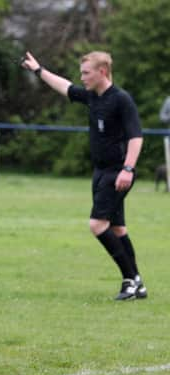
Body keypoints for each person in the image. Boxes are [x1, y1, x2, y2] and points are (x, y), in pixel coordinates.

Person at [21, 51, 147, 301]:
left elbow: (136, 137)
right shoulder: (92, 97)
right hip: (100, 172)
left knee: (97, 225)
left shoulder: (121, 99)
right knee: (118, 229)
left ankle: (130, 279)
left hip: (117, 172)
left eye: (86, 73)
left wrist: (128, 169)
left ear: (102, 72)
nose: (82, 77)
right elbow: (65, 87)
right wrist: (38, 70)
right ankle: (136, 283)